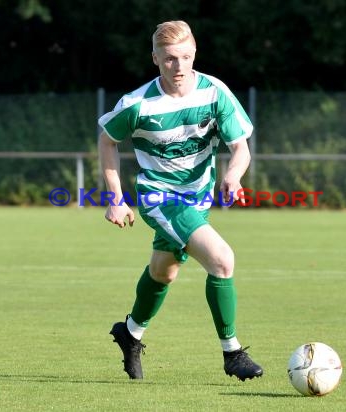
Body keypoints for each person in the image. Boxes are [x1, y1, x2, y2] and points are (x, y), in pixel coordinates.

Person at [98, 20, 263, 381]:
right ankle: (232, 352)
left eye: (186, 57)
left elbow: (240, 149)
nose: (179, 67)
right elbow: (108, 140)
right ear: (155, 58)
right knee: (221, 260)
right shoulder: (138, 104)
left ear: (194, 54)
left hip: (198, 198)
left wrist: (232, 176)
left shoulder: (215, 92)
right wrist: (115, 198)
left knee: (163, 271)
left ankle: (131, 333)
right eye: (170, 59)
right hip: (159, 197)